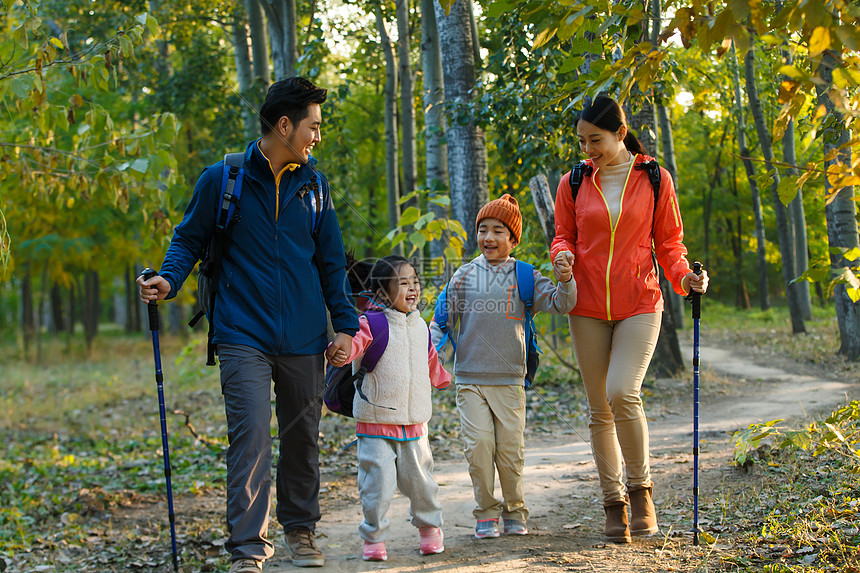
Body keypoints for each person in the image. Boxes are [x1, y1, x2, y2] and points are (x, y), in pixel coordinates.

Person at [137, 77, 359, 572]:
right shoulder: (224, 179)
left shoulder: (315, 186)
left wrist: (344, 326)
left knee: (302, 438)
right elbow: (187, 240)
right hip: (242, 334)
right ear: (285, 125)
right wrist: (168, 281)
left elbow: (330, 264)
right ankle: (247, 549)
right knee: (252, 435)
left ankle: (300, 531)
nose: (318, 136)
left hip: (304, 336)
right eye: (313, 126)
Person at [550, 95, 709, 544]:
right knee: (599, 407)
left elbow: (671, 244)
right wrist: (562, 257)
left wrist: (685, 279)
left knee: (622, 391)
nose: (587, 149)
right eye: (581, 141)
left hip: (640, 300)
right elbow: (563, 236)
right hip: (586, 306)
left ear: (620, 134)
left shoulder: (655, 178)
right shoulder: (574, 181)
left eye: (595, 140)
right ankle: (613, 504)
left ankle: (641, 493)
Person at [429, 194, 577, 539]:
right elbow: (440, 322)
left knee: (510, 453)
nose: (489, 238)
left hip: (510, 381)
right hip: (469, 380)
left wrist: (566, 278)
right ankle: (485, 512)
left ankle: (515, 510)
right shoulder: (463, 276)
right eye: (483, 230)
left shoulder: (526, 275)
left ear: (513, 239)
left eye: (498, 230)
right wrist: (425, 360)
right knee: (478, 449)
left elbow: (561, 303)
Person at [329, 255, 451, 562]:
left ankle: (430, 529)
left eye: (415, 282)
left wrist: (442, 378)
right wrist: (341, 352)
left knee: (421, 482)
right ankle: (374, 536)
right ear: (383, 292)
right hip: (374, 421)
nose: (412, 288)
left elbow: (430, 361)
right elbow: (354, 346)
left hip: (414, 423)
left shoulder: (422, 327)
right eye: (403, 283)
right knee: (377, 485)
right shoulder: (371, 324)